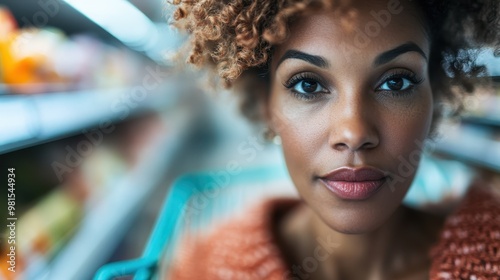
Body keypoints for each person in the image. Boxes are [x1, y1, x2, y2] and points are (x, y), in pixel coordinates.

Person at [167, 0, 500, 279]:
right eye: (308, 85)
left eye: (396, 83)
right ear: (265, 104)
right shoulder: (202, 269)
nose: (353, 134)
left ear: (436, 95)